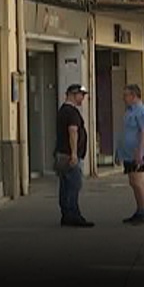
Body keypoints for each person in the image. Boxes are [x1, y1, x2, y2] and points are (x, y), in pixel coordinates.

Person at [56, 84, 93, 227]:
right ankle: (73, 215)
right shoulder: (71, 112)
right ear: (73, 94)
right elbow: (73, 132)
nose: (82, 98)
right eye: (81, 95)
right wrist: (74, 153)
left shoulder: (63, 110)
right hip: (69, 155)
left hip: (62, 154)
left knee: (65, 186)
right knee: (74, 185)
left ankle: (66, 214)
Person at [119, 84, 144, 225]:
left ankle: (143, 212)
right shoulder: (129, 112)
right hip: (128, 154)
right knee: (133, 182)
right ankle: (138, 210)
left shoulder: (142, 112)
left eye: (126, 95)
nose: (124, 98)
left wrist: (140, 152)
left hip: (136, 154)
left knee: (139, 182)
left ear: (133, 96)